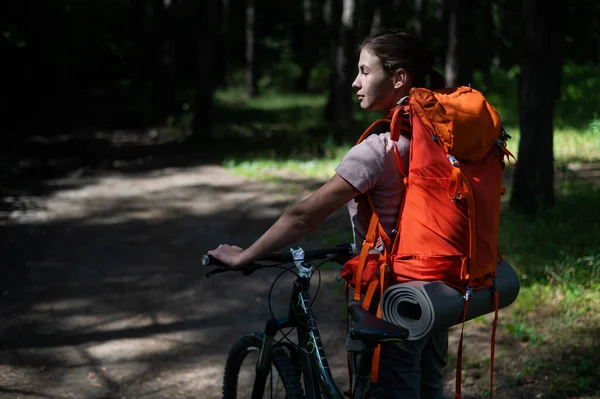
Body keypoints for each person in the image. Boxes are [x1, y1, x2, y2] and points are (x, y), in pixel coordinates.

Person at [208, 28, 447, 399]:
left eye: (365, 72)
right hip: (438, 292)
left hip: (392, 298)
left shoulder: (378, 151)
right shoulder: (440, 137)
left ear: (399, 78)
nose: (355, 82)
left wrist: (245, 255)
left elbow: (303, 215)